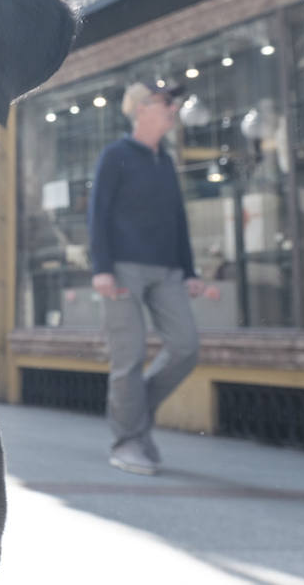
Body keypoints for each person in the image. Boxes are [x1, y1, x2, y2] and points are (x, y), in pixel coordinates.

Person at [88, 80, 211, 476]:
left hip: (167, 270)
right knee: (129, 355)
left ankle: (135, 421)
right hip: (122, 268)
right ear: (140, 108)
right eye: (165, 103)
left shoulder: (166, 161)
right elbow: (98, 215)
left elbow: (178, 219)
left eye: (174, 104)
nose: (173, 109)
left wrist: (190, 271)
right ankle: (126, 441)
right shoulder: (116, 155)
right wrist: (101, 268)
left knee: (186, 345)